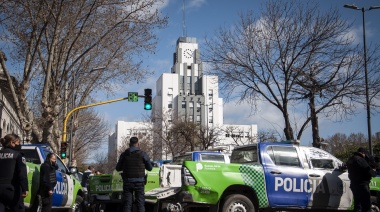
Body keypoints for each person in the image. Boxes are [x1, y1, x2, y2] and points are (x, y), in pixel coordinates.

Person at [116, 137, 152, 212]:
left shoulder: (124, 154)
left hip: (127, 182)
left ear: (129, 144)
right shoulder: (143, 154)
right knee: (140, 204)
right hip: (139, 182)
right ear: (138, 144)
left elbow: (118, 168)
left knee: (127, 204)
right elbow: (150, 168)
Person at [0, 134, 28, 212]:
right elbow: (22, 174)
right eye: (18, 143)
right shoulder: (18, 155)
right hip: (12, 189)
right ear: (12, 143)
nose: (19, 145)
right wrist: (25, 189)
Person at [346, 147, 377, 212]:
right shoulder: (360, 160)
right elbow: (370, 172)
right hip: (362, 185)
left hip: (354, 184)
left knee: (357, 205)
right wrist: (374, 171)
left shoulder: (351, 159)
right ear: (363, 153)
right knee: (366, 206)